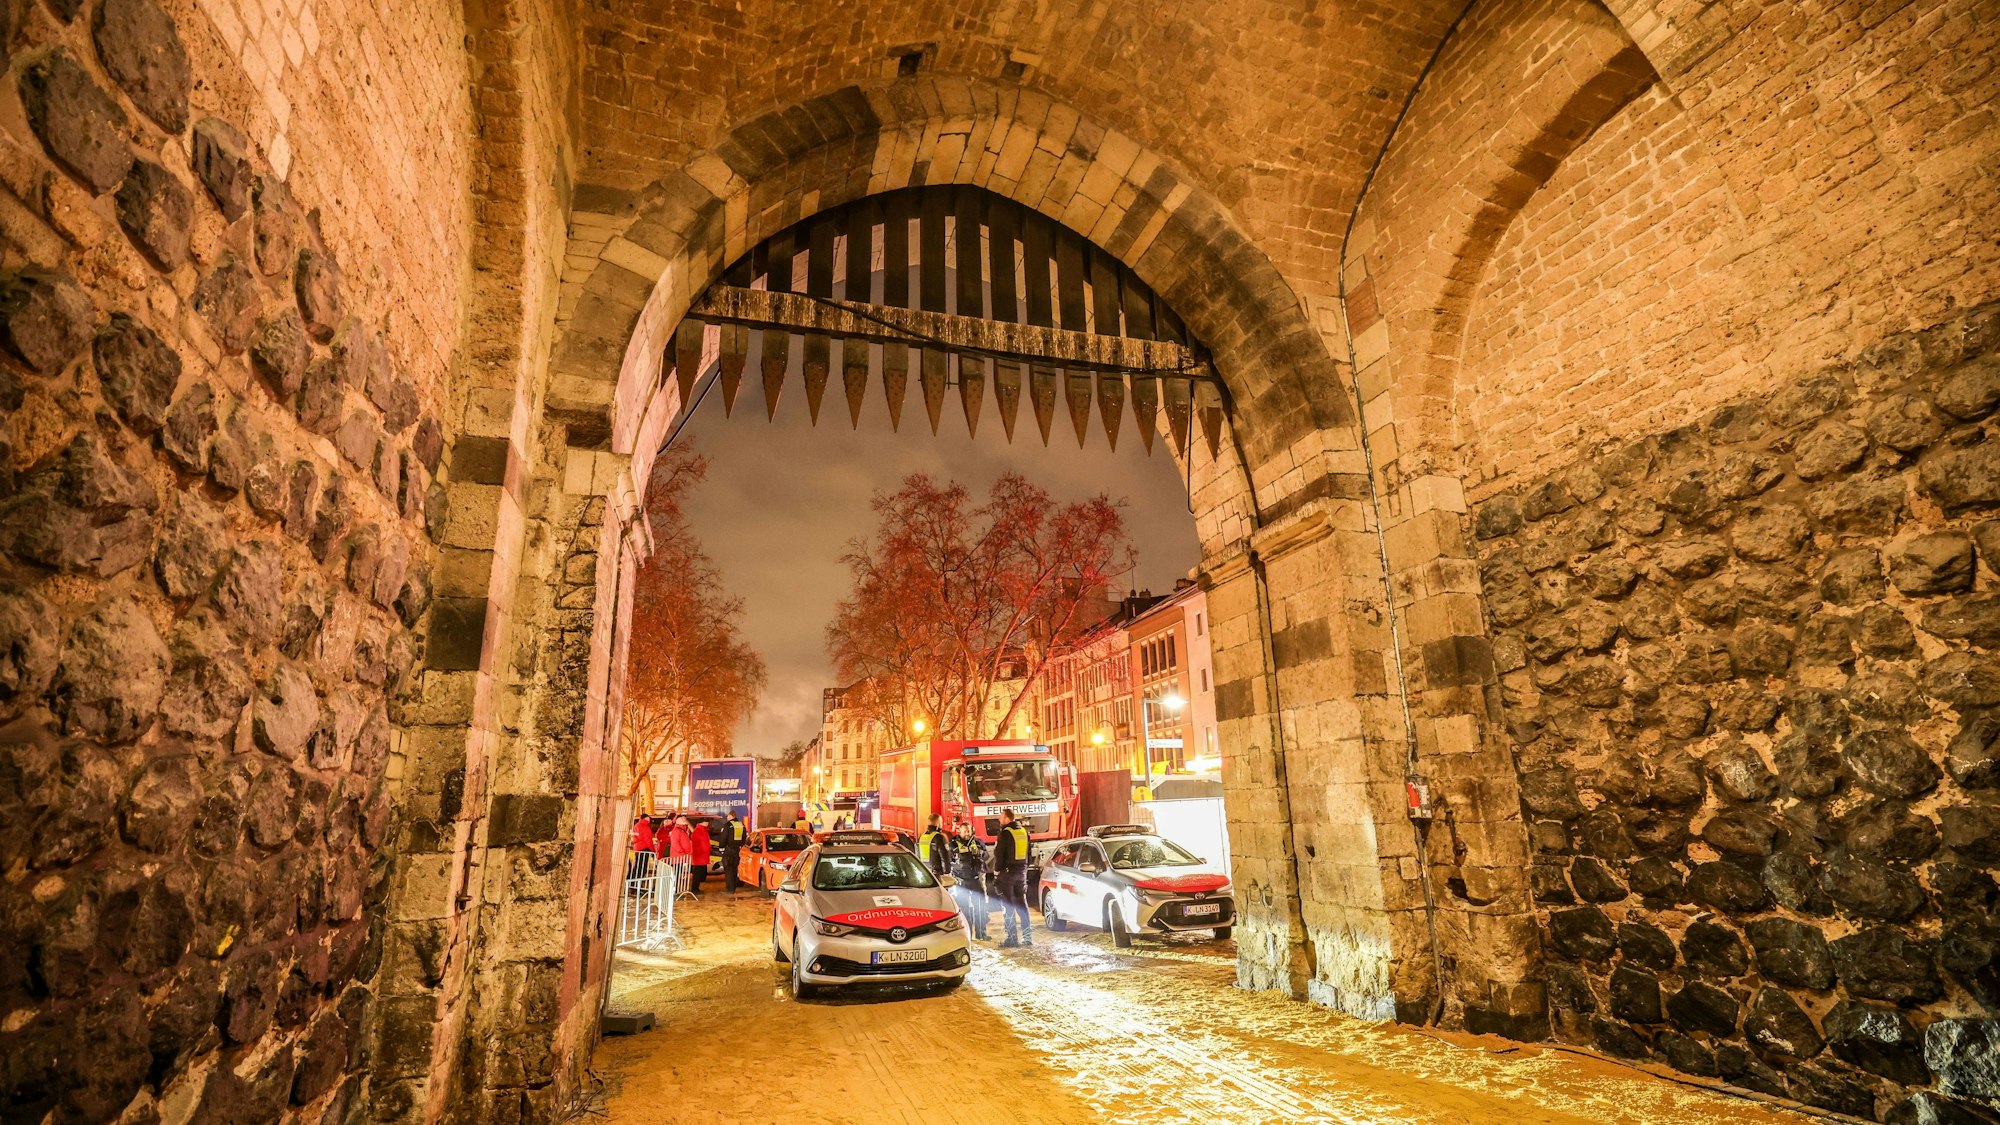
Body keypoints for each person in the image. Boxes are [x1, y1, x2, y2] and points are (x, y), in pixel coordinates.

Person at [991, 810, 1033, 947]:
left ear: (1007, 818)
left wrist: (996, 872)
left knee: (1008, 906)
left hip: (1007, 874)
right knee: (1022, 904)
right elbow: (1029, 854)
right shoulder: (1023, 832)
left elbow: (999, 855)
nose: (999, 819)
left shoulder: (1005, 833)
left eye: (1001, 817)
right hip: (1021, 873)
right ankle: (1027, 938)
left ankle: (1012, 939)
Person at [947, 823, 989, 940]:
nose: (967, 833)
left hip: (975, 878)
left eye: (969, 831)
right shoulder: (953, 844)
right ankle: (967, 935)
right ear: (959, 832)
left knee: (980, 907)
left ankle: (981, 933)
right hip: (961, 880)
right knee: (964, 909)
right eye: (964, 831)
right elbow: (949, 860)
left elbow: (986, 855)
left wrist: (980, 853)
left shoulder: (978, 842)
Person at [666, 816, 693, 898]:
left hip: (680, 857)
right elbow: (675, 843)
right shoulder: (677, 831)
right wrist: (682, 851)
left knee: (677, 875)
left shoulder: (681, 831)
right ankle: (673, 891)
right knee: (676, 875)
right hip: (677, 858)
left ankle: (675, 890)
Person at [721, 811, 745, 892]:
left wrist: (721, 847)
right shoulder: (741, 825)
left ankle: (730, 889)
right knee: (734, 869)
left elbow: (723, 837)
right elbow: (744, 837)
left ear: (731, 815)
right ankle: (733, 887)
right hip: (737, 850)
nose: (727, 817)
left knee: (728, 869)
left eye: (728, 816)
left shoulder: (728, 825)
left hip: (729, 850)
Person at [628, 815, 656, 880]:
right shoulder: (645, 826)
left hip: (637, 848)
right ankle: (637, 881)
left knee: (638, 866)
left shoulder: (636, 826)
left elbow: (635, 837)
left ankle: (632, 881)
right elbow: (648, 840)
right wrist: (652, 849)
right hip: (645, 848)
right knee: (642, 867)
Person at [689, 818, 712, 895]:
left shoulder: (703, 830)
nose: (708, 823)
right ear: (702, 822)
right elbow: (696, 844)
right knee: (697, 873)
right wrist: (700, 852)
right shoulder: (698, 831)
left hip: (702, 855)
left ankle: (696, 888)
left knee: (699, 873)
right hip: (699, 855)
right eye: (706, 821)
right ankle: (694, 889)